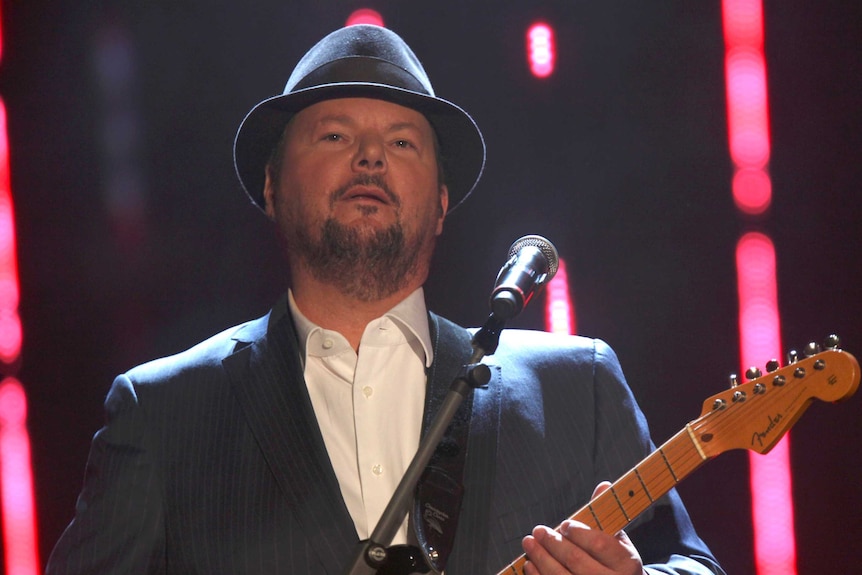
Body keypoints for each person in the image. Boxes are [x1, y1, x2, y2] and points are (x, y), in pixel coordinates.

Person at [46, 25, 725, 575]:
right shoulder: (163, 415)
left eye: (401, 142)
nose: (369, 157)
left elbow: (692, 565)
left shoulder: (578, 386)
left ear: (440, 202)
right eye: (336, 136)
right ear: (273, 187)